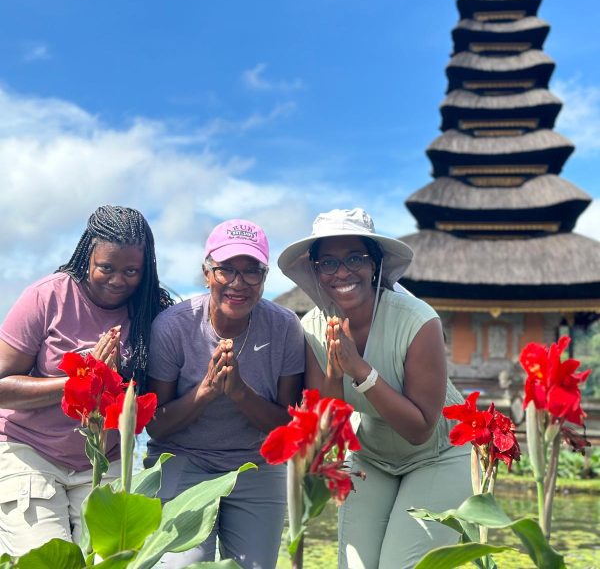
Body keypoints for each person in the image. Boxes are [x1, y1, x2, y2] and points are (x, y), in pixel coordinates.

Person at [278, 208, 471, 569]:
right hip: (372, 458)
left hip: (439, 455)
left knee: (400, 564)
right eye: (328, 263)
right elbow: (329, 423)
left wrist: (361, 370)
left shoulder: (418, 320)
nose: (342, 272)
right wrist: (336, 373)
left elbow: (419, 429)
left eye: (354, 258)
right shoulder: (313, 328)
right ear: (316, 271)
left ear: (375, 264)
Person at [0, 205, 173, 556]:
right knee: (51, 558)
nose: (117, 280)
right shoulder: (47, 297)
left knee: (114, 559)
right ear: (86, 256)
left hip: (102, 462)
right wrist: (84, 376)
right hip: (31, 453)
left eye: (131, 271)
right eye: (106, 267)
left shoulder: (150, 311)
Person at [145, 218, 304, 569]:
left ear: (264, 277)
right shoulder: (173, 327)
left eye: (252, 272)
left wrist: (240, 393)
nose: (238, 283)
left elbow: (288, 425)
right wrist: (206, 392)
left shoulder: (285, 327)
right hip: (184, 459)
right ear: (206, 273)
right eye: (226, 269)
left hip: (256, 464)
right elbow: (156, 426)